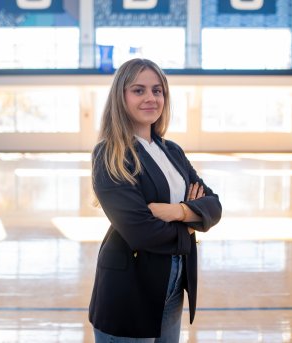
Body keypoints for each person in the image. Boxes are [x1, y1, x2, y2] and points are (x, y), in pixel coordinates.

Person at [89, 58, 222, 342]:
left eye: (157, 90)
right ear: (120, 97)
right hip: (129, 288)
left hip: (172, 283)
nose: (150, 98)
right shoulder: (110, 153)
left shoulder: (171, 150)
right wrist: (192, 219)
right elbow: (142, 231)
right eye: (138, 90)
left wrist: (177, 212)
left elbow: (213, 205)